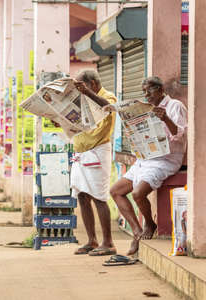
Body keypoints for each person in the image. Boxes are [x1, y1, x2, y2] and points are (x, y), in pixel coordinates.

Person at [109, 76, 187, 256]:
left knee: (137, 193)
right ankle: (137, 231)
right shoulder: (145, 109)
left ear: (160, 90)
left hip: (165, 160)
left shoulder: (175, 106)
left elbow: (180, 135)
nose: (146, 95)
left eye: (149, 91)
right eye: (144, 92)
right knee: (115, 191)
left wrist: (166, 118)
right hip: (145, 159)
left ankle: (149, 224)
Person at [69, 70, 117, 256]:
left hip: (98, 151)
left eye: (83, 86)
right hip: (81, 152)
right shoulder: (82, 99)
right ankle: (91, 240)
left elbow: (110, 108)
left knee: (99, 196)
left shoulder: (107, 96)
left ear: (93, 83)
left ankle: (108, 242)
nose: (81, 90)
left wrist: (87, 93)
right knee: (82, 195)